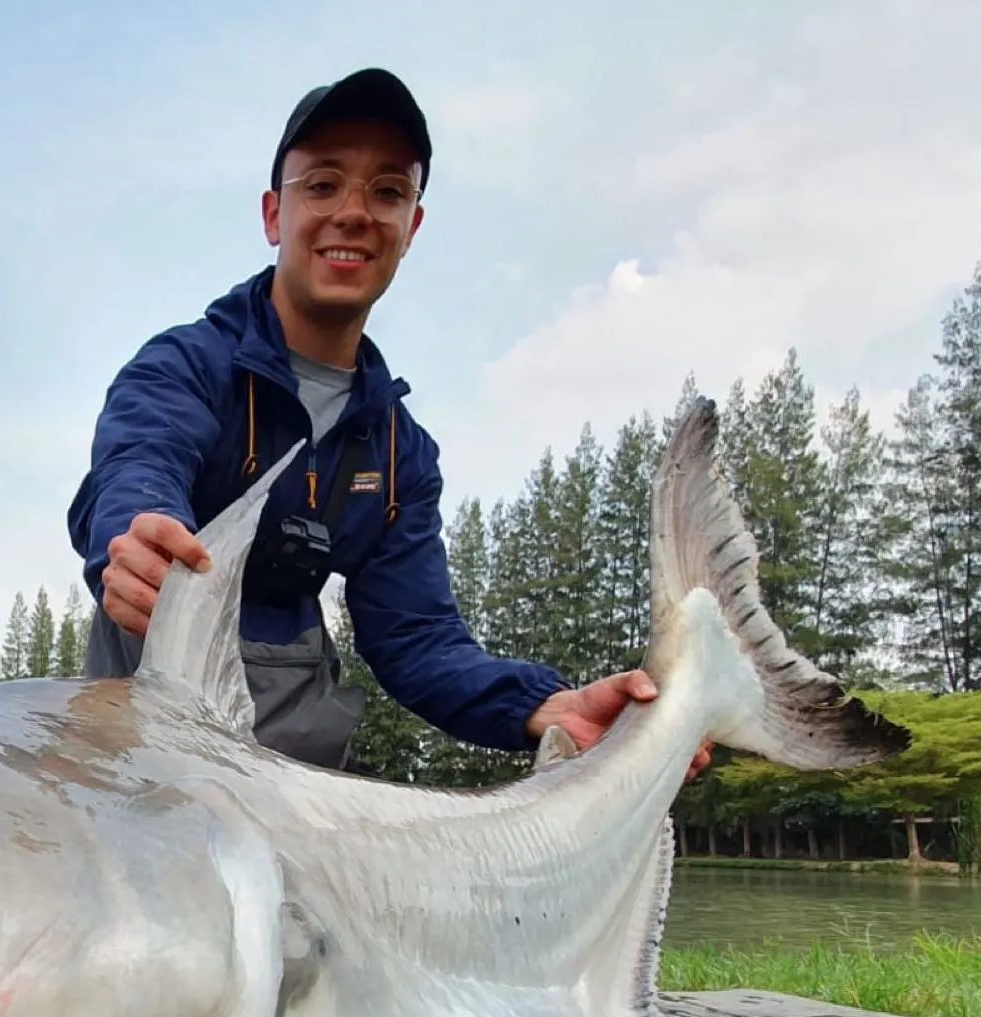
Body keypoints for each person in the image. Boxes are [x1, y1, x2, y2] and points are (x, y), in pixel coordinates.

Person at [67, 67, 709, 778]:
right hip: (142, 773)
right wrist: (131, 538)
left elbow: (418, 641)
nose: (353, 212)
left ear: (411, 228)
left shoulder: (402, 454)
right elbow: (136, 464)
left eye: (388, 191)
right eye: (322, 184)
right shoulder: (185, 365)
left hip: (303, 795)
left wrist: (547, 708)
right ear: (273, 214)